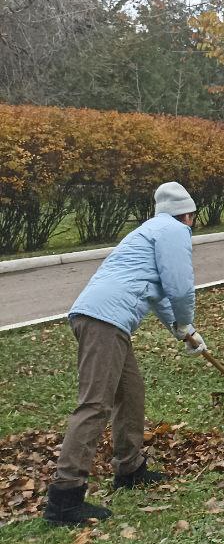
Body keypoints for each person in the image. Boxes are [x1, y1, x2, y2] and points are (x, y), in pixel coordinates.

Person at [43, 182, 209, 526]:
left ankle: (129, 469)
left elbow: (161, 293)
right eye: (192, 217)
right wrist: (187, 321)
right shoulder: (175, 231)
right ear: (188, 214)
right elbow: (179, 285)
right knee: (95, 404)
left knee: (130, 392)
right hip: (105, 321)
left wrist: (185, 332)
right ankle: (64, 498)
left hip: (101, 318)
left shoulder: (150, 230)